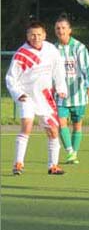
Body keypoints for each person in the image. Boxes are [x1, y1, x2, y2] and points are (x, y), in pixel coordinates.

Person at [6, 21, 67, 175]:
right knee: (27, 125)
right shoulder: (21, 54)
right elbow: (10, 78)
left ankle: (53, 166)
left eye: (39, 34)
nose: (36, 37)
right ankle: (18, 164)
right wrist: (18, 94)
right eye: (32, 34)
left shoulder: (51, 49)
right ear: (27, 35)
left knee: (53, 131)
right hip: (26, 96)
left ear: (44, 35)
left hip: (45, 97)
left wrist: (61, 88)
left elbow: (58, 69)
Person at [54, 15, 89, 164]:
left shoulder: (79, 47)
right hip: (60, 95)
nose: (61, 31)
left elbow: (87, 67)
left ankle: (74, 153)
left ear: (70, 30)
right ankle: (70, 152)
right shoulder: (53, 49)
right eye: (58, 28)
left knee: (77, 125)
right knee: (60, 122)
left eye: (63, 28)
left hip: (78, 94)